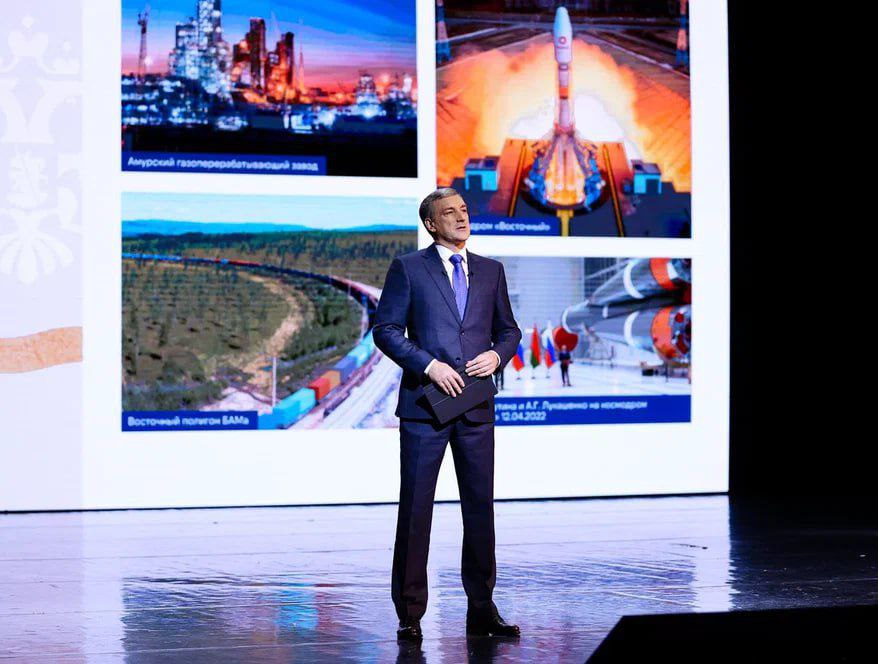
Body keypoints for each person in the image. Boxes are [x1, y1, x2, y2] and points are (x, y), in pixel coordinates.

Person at [372, 188, 522, 643]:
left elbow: (509, 331)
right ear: (431, 224)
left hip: (475, 406)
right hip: (425, 408)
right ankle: (410, 613)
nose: (461, 217)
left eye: (464, 210)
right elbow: (386, 330)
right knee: (416, 510)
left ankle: (482, 607)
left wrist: (497, 356)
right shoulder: (408, 268)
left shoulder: (491, 270)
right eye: (449, 213)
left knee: (480, 509)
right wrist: (429, 365)